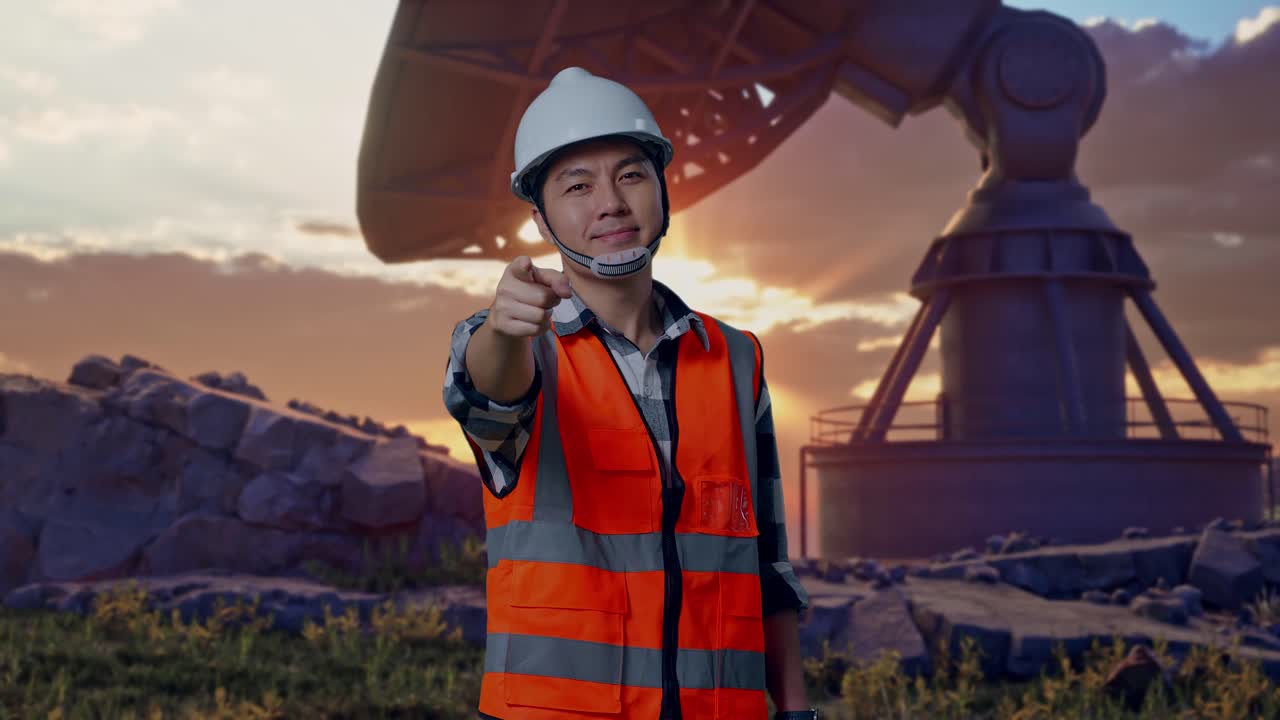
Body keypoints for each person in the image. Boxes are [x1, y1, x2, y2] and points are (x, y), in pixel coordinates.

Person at [443, 66, 816, 720]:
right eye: (577, 185)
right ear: (541, 216)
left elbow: (766, 568)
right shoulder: (517, 347)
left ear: (664, 192)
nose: (610, 202)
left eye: (632, 175)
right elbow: (486, 397)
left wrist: (795, 710)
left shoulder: (735, 358)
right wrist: (503, 330)